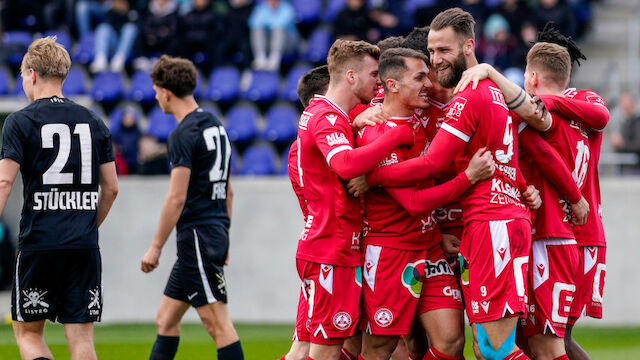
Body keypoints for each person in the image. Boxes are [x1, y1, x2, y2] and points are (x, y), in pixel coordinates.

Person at [357, 47, 494, 360]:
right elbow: (414, 202)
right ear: (392, 85)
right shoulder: (376, 132)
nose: (428, 85)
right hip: (389, 251)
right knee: (380, 347)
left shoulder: (422, 121)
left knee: (451, 342)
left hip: (430, 245)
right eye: (419, 77)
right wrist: (467, 178)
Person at [295, 39, 418, 360]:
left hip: (333, 247)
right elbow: (346, 164)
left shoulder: (326, 114)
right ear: (351, 76)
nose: (378, 81)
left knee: (320, 348)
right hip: (330, 249)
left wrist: (353, 122)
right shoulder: (327, 117)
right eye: (373, 73)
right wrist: (396, 135)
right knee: (325, 351)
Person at [0, 36, 119, 360]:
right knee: (82, 341)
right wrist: (85, 225)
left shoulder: (20, 121)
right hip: (82, 246)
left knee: (28, 335)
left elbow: (3, 182)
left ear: (32, 74)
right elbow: (111, 188)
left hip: (40, 242)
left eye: (23, 75)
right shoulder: (94, 120)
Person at [140, 55, 244, 360]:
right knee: (166, 319)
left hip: (197, 236)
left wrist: (155, 247)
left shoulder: (182, 134)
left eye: (157, 90)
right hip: (212, 232)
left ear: (166, 92)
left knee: (217, 324)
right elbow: (229, 190)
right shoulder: (215, 124)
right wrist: (224, 234)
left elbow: (176, 198)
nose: (157, 96)